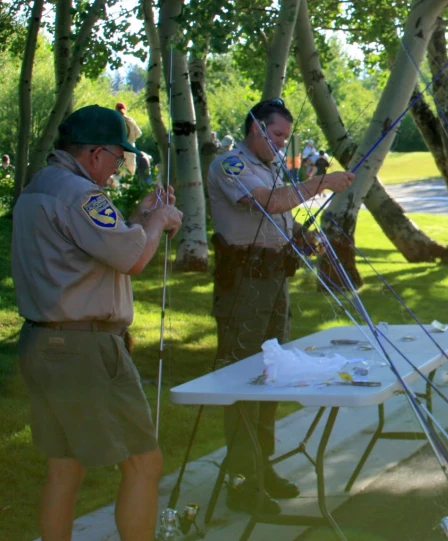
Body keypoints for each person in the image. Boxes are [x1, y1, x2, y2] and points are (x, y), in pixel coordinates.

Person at [11, 104, 183, 541]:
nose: (116, 170)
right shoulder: (82, 195)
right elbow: (131, 259)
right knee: (144, 462)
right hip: (84, 349)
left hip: (41, 344)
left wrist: (142, 218)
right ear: (95, 154)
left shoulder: (38, 189)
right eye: (116, 159)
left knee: (64, 468)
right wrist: (160, 222)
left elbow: (103, 247)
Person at [206, 98, 354, 515]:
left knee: (270, 377)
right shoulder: (229, 165)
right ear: (255, 127)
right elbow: (265, 203)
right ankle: (241, 480)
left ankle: (261, 468)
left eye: (285, 138)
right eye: (275, 136)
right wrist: (320, 183)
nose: (280, 145)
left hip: (274, 282)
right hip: (243, 288)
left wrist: (301, 240)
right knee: (243, 381)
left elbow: (278, 217)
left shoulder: (271, 169)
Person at [115, 102, 142, 176]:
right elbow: (139, 133)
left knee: (118, 170)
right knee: (129, 172)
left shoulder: (115, 121)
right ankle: (127, 187)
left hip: (119, 149)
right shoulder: (130, 121)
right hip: (130, 149)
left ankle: (117, 187)